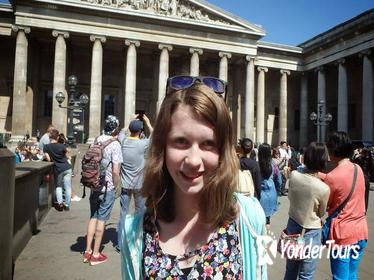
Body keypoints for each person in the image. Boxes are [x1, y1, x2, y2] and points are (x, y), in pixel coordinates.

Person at [121, 78, 267, 279]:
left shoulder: (249, 217)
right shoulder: (133, 233)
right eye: (180, 141)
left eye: (208, 143)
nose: (193, 160)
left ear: (222, 151)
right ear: (162, 147)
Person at [320, 131, 368, 280]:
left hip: (342, 235)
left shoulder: (333, 177)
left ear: (333, 150)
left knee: (340, 277)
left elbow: (326, 205)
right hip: (360, 231)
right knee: (352, 275)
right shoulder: (358, 169)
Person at [283, 142, 330, 280]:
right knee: (306, 274)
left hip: (292, 225)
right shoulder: (323, 188)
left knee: (290, 269)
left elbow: (290, 197)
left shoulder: (294, 175)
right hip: (311, 231)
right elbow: (321, 213)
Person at [83, 115, 123, 266]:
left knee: (93, 216)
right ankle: (96, 254)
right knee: (102, 218)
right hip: (107, 187)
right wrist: (117, 187)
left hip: (94, 184)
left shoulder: (96, 139)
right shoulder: (115, 145)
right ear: (115, 129)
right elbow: (115, 171)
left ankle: (87, 251)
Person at [116, 115, 153, 252]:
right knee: (140, 213)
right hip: (139, 184)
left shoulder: (123, 141)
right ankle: (138, 241)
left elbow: (121, 132)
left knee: (123, 213)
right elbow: (155, 135)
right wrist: (148, 123)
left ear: (130, 130)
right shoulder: (143, 144)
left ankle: (120, 244)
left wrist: (129, 121)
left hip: (125, 185)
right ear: (140, 131)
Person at [43, 129, 72, 211]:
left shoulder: (46, 147)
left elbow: (48, 159)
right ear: (58, 137)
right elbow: (68, 156)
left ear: (50, 137)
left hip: (58, 169)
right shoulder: (62, 146)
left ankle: (60, 203)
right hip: (67, 167)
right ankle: (67, 204)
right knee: (68, 187)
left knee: (58, 186)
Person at [258, 143, 282, 231]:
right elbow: (279, 180)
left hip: (259, 195)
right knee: (267, 220)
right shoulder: (273, 164)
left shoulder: (256, 164)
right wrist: (278, 190)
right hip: (271, 193)